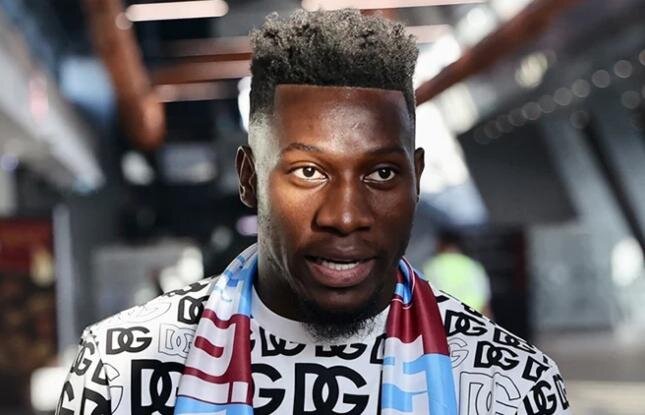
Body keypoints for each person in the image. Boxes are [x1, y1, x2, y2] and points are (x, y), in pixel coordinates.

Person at [57, 9, 570, 414]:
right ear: (249, 178)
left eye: (381, 173)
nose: (345, 216)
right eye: (308, 171)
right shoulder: (124, 371)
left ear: (416, 179)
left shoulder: (511, 386)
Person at [423, 229, 494, 318]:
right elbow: (485, 302)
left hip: (446, 318)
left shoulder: (433, 265)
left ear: (440, 244)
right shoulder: (473, 265)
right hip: (473, 318)